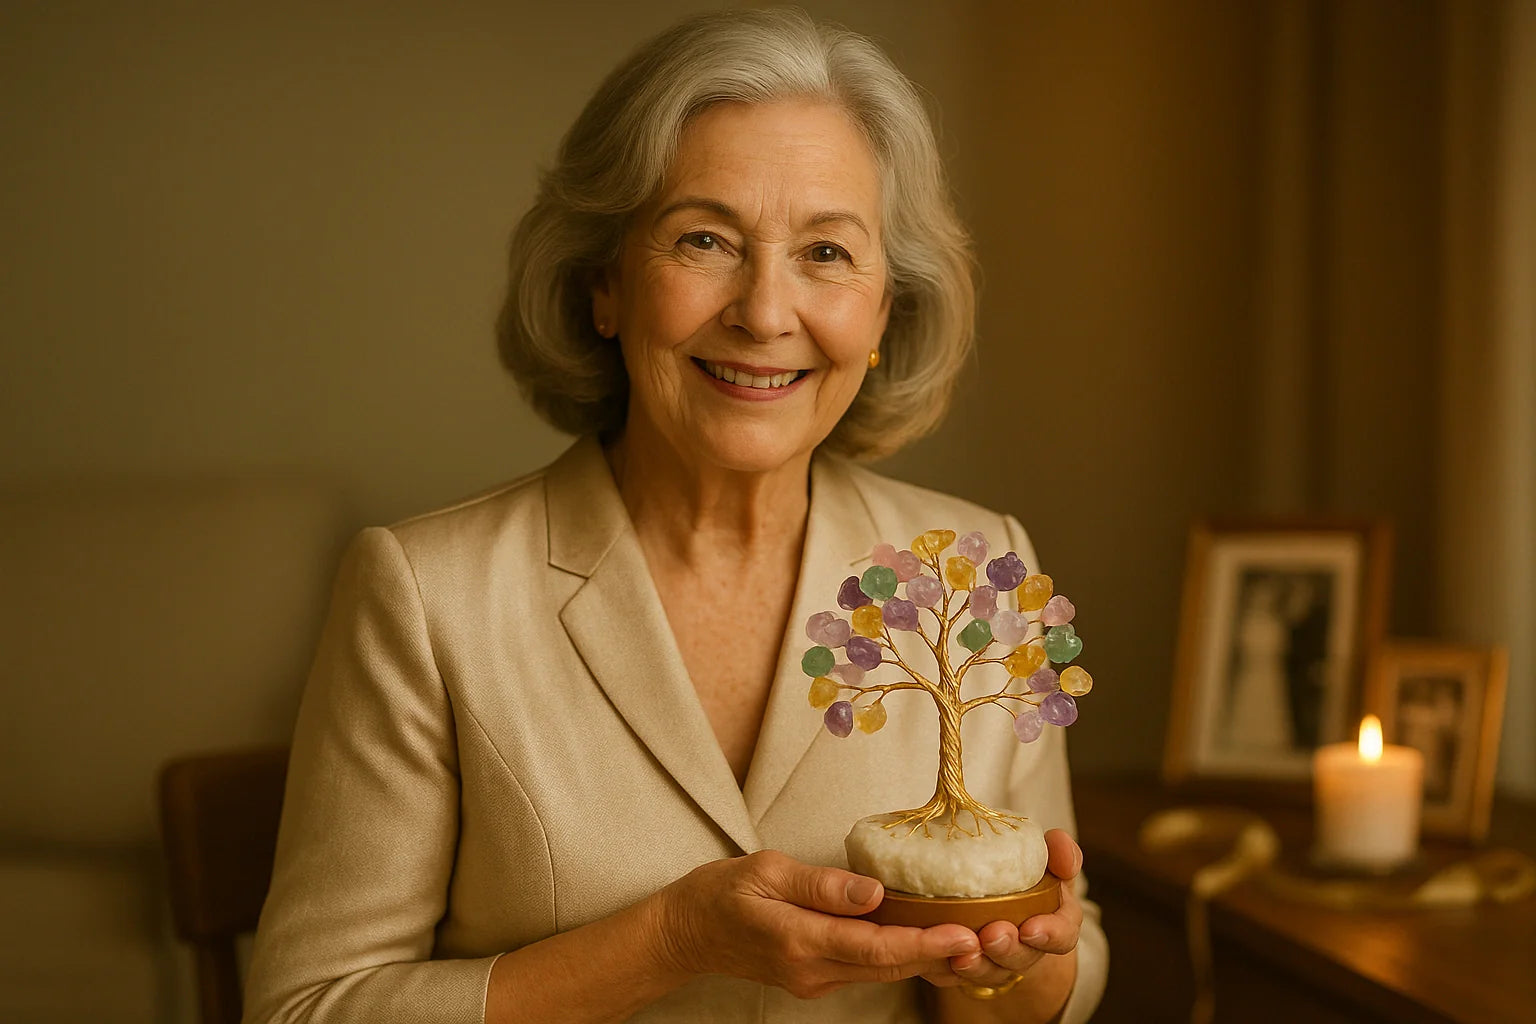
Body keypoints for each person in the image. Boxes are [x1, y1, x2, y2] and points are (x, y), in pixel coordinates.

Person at [243, 8, 1108, 1023]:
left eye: (827, 253)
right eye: (705, 239)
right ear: (605, 284)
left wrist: (1013, 965)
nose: (764, 310)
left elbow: (1059, 961)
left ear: (884, 313)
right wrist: (667, 942)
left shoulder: (977, 572)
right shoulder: (427, 594)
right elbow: (306, 1008)